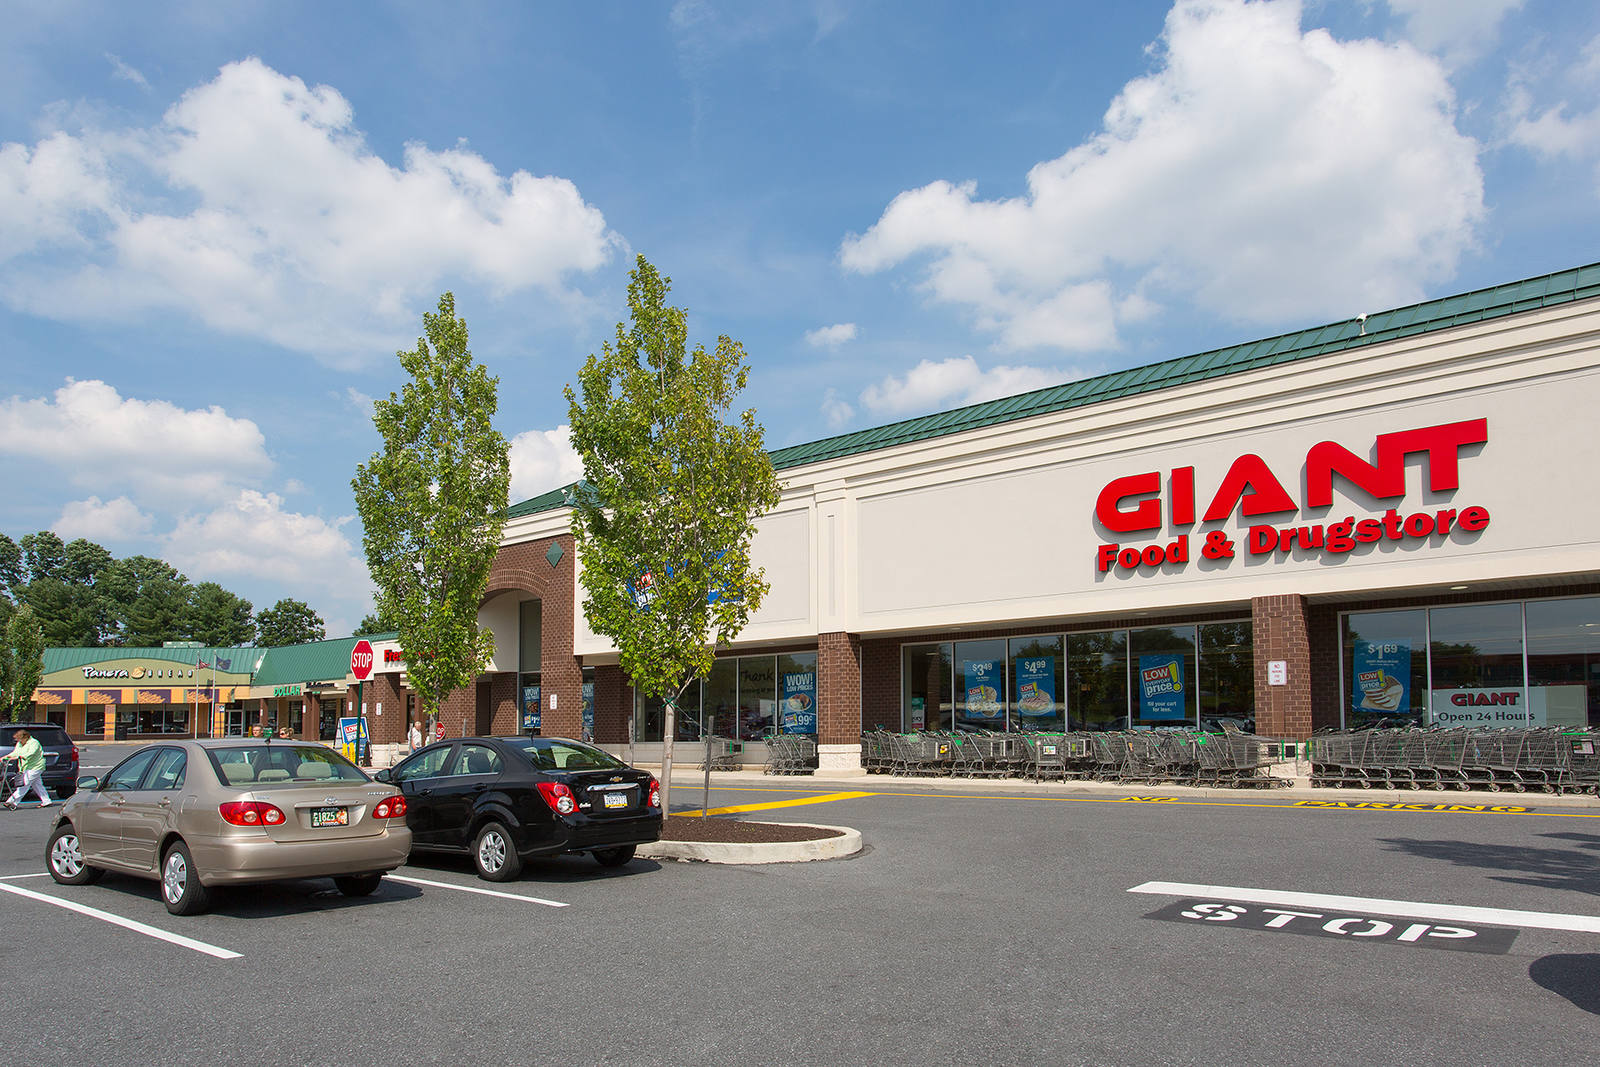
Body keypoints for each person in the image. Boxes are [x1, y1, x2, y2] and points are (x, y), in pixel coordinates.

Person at [3, 728, 52, 809]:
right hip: (26, 767)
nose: (18, 741)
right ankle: (46, 801)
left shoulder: (34, 743)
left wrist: (19, 756)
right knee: (37, 784)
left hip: (36, 766)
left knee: (25, 784)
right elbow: (16, 752)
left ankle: (12, 802)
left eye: (19, 739)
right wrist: (6, 757)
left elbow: (30, 753)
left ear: (25, 737)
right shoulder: (20, 743)